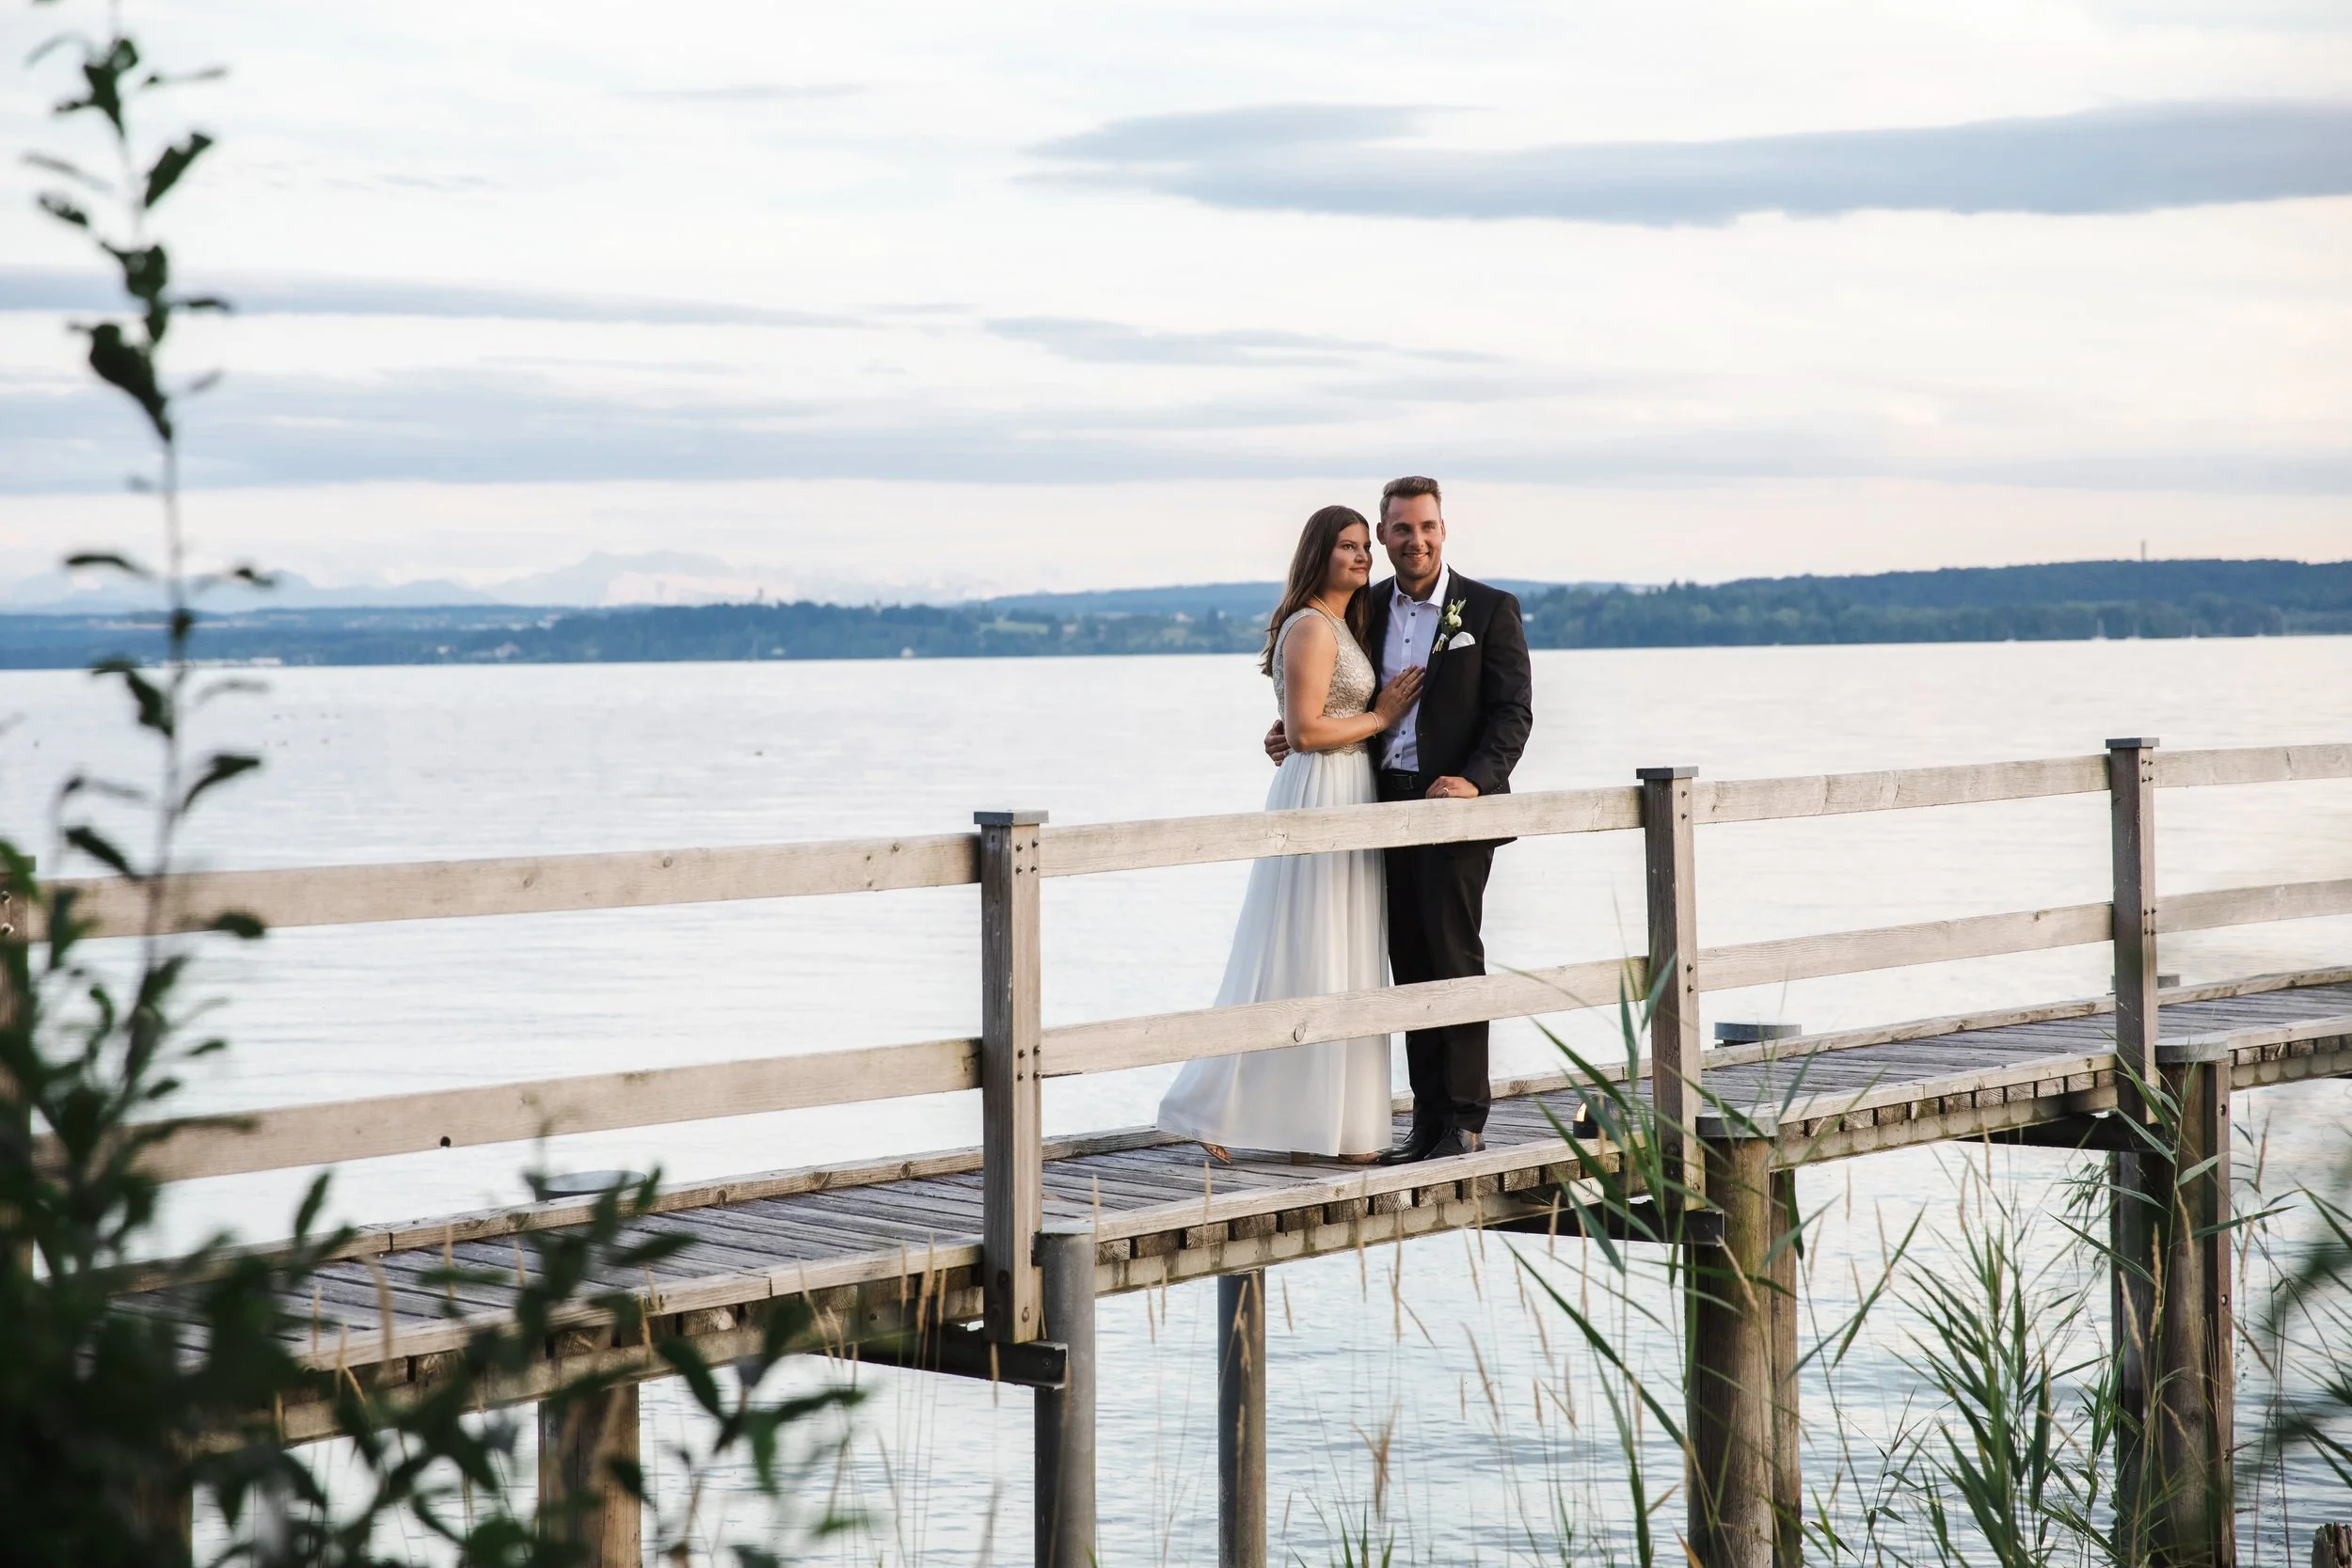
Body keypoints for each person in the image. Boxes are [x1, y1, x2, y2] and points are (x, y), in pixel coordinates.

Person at [1264, 476, 1534, 1163]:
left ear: (1444, 529)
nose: (1416, 540)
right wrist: (1289, 731)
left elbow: (1512, 715)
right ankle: (1424, 1121)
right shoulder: (1368, 607)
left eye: (1427, 527)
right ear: (1384, 539)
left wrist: (1474, 781)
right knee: (1406, 963)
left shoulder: (1490, 608)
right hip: (1378, 805)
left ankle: (1464, 1120)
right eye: (1401, 530)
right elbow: (1329, 689)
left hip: (1454, 810)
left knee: (1453, 958)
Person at [1155, 505, 1424, 1163]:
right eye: (1347, 547)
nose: (1362, 557)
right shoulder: (1309, 624)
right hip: (1321, 791)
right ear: (1317, 554)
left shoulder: (1342, 622)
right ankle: (1212, 1107)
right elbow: (1304, 732)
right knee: (1298, 948)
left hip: (1349, 790)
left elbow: (1301, 725)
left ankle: (1331, 1124)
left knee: (1341, 952)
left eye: (1366, 546)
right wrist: (1381, 715)